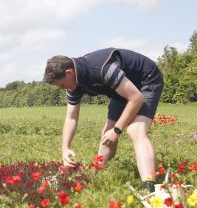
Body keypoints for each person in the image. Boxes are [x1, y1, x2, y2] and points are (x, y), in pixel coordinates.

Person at [43, 48, 164, 192]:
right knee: (107, 134)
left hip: (146, 80)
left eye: (62, 85)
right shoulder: (73, 84)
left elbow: (136, 98)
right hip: (120, 91)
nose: (63, 89)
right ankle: (95, 175)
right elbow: (71, 118)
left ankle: (150, 189)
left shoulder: (102, 69)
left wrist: (117, 130)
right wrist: (65, 148)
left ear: (69, 72)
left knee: (135, 130)